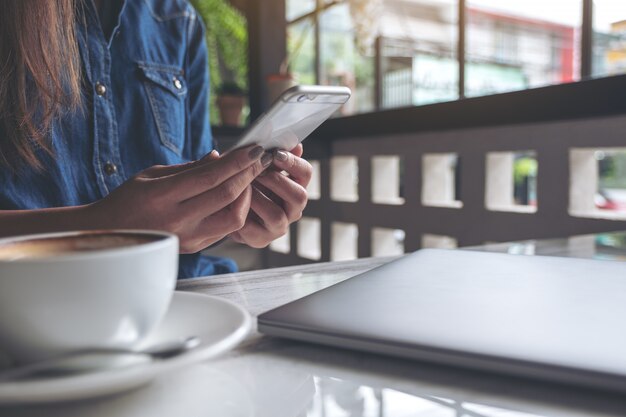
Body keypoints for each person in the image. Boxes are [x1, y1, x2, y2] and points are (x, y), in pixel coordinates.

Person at [0, 0, 312, 278]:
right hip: (39, 301)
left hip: (184, 290)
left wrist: (237, 212)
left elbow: (191, 213)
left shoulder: (179, 20)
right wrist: (101, 226)